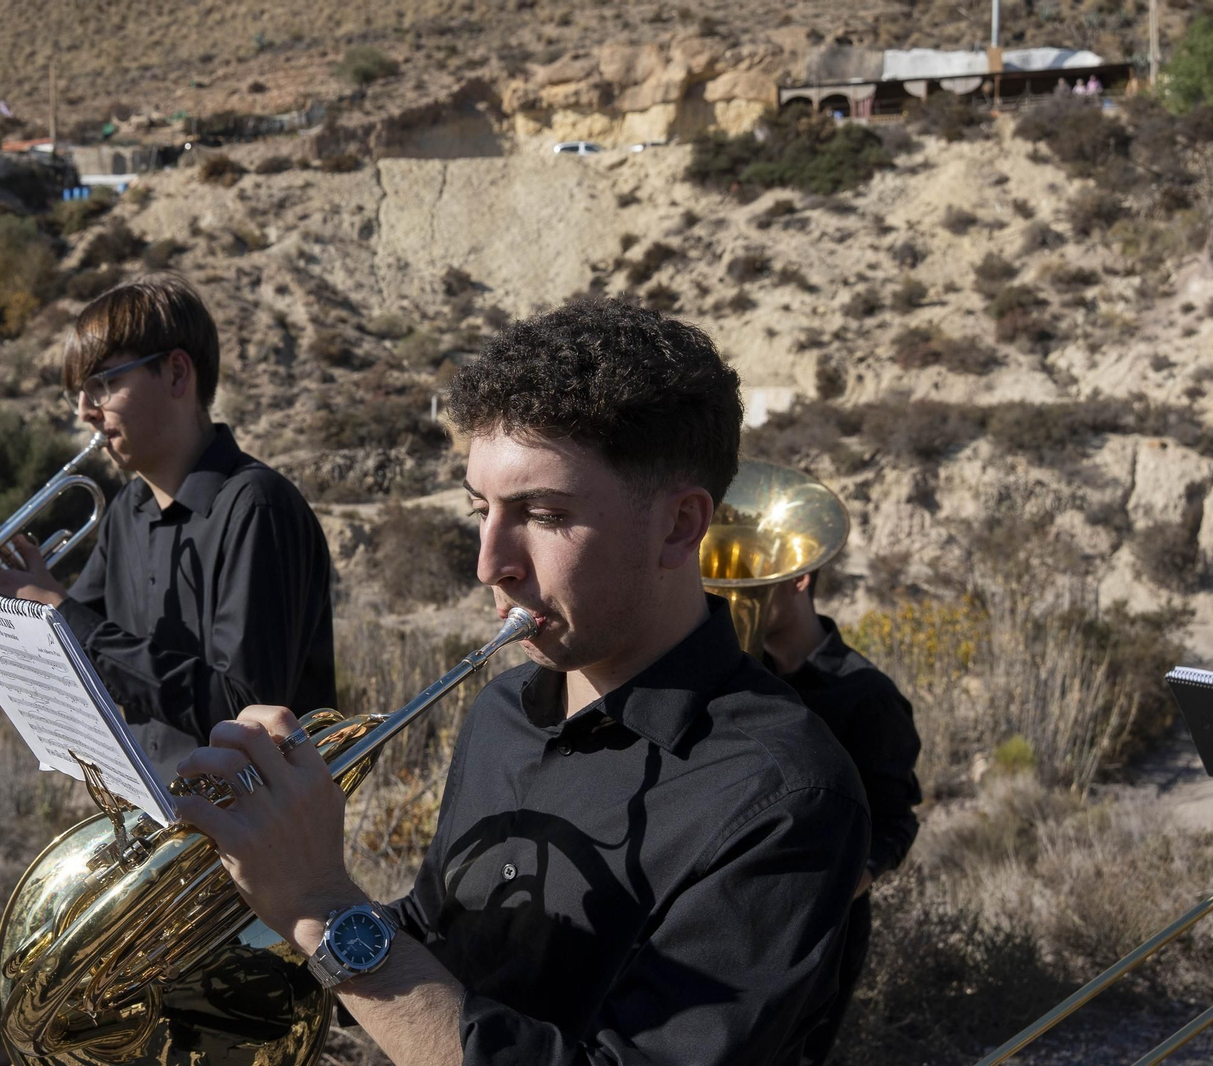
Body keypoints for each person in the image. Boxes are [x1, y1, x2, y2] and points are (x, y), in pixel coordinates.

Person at [172, 299, 871, 1066]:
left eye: (540, 513)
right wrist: (254, 904)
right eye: (481, 509)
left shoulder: (786, 797)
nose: (489, 564)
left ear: (678, 526)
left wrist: (325, 911)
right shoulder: (504, 710)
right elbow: (442, 935)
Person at [0, 274, 336, 771]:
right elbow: (75, 668)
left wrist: (59, 610)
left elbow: (248, 712)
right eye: (79, 393)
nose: (85, 411)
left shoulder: (257, 506)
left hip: (251, 813)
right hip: (155, 806)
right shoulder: (127, 510)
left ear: (177, 374)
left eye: (102, 384)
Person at [759, 568, 923, 1066]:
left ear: (800, 578)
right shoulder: (738, 677)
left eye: (756, 582)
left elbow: (896, 822)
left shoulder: (868, 693)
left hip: (820, 936)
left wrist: (844, 885)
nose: (736, 595)